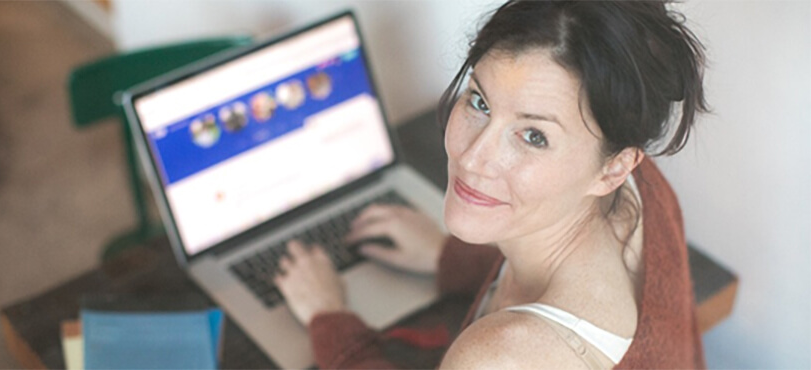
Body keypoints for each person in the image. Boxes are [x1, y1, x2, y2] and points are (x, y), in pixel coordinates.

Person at [274, 1, 709, 368]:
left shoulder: (496, 358)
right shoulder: (641, 189)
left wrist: (329, 317)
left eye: (533, 136)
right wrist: (449, 257)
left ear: (614, 168)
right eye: (480, 101)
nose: (472, 156)